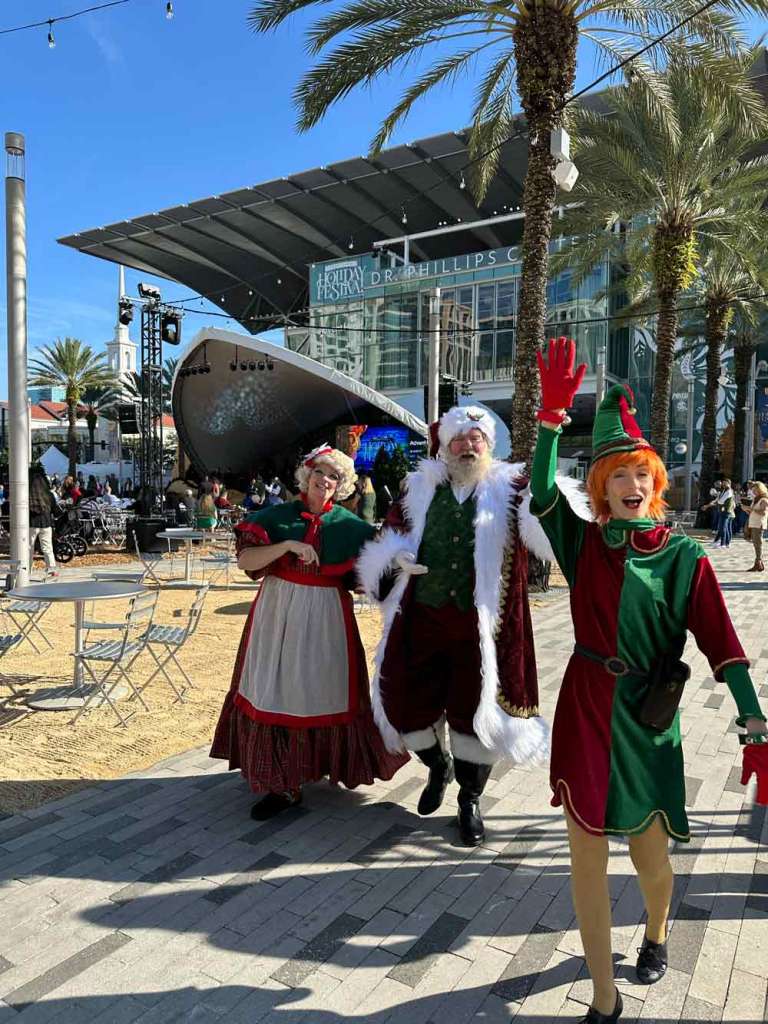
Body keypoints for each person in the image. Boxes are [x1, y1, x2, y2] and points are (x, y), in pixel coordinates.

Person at [530, 338, 767, 1024]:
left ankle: (658, 932)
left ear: (655, 482)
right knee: (585, 861)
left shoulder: (686, 557)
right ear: (599, 486)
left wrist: (755, 724)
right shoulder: (582, 544)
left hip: (648, 716)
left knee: (649, 860)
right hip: (584, 703)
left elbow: (724, 645)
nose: (631, 485)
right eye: (616, 475)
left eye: (642, 474)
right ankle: (604, 997)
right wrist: (549, 422)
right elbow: (543, 493)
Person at [357, 406, 552, 846]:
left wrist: (551, 433)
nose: (467, 445)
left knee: (473, 719)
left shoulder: (512, 490)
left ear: (489, 445)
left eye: (476, 438)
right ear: (444, 446)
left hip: (479, 630)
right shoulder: (418, 490)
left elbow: (546, 523)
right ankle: (437, 767)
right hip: (421, 620)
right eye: (459, 438)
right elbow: (387, 539)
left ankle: (470, 799)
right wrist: (396, 560)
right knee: (405, 708)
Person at [211, 444, 408, 819]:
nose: (325, 481)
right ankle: (282, 785)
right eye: (320, 473)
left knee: (320, 690)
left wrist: (399, 563)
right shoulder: (276, 516)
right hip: (276, 614)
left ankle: (311, 767)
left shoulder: (352, 528)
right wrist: (287, 544)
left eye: (334, 477)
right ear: (307, 475)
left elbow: (373, 579)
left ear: (342, 485)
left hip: (326, 618)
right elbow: (245, 561)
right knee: (274, 688)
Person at [29, 466, 58, 580]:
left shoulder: (27, 493)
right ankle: (52, 570)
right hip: (46, 523)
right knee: (47, 548)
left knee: (28, 548)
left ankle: (26, 571)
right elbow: (55, 509)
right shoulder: (48, 494)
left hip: (31, 522)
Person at [744, 481, 768, 571]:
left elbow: (763, 512)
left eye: (755, 490)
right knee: (756, 544)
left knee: (758, 544)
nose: (753, 492)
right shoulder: (756, 499)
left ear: (760, 489)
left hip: (759, 523)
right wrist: (746, 509)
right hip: (753, 522)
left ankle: (758, 563)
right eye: (753, 490)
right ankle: (758, 563)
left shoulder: (764, 499)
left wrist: (751, 509)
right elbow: (753, 511)